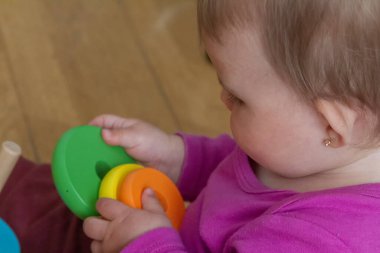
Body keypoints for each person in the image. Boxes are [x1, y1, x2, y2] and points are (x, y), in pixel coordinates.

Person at [2, 0, 380, 252]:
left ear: (331, 126)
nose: (223, 100)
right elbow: (237, 164)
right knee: (44, 194)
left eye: (239, 98)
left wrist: (147, 244)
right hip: (154, 232)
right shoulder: (305, 149)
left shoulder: (318, 242)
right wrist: (179, 158)